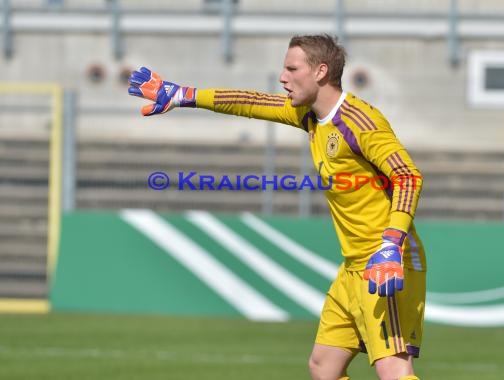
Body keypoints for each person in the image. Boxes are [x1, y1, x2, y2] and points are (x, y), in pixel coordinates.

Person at [128, 34, 426, 380]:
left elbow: (408, 176)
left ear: (320, 72)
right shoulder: (310, 116)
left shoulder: (361, 122)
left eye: (291, 68)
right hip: (353, 267)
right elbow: (251, 101)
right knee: (322, 368)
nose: (283, 77)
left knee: (394, 370)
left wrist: (391, 243)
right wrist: (184, 96)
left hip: (386, 260)